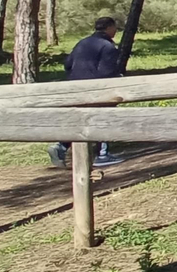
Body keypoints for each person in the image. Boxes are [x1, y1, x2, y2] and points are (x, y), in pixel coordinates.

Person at [48, 17, 127, 168]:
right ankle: (102, 155)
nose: (116, 31)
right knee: (102, 117)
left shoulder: (82, 42)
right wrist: (119, 78)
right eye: (114, 27)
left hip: (76, 87)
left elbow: (68, 64)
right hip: (96, 89)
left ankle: (61, 146)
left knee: (80, 119)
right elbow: (106, 72)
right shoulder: (107, 46)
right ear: (109, 28)